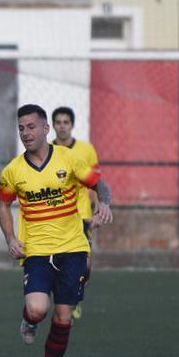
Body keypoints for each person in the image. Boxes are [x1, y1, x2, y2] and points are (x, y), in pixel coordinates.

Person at [0, 104, 110, 357]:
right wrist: (10, 238)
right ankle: (28, 320)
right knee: (37, 310)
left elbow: (100, 185)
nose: (25, 133)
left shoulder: (69, 159)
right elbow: (3, 205)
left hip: (72, 248)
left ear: (46, 129)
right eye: (21, 128)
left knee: (62, 316)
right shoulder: (13, 170)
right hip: (35, 252)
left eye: (31, 127)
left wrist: (104, 202)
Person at [50, 106, 113, 318]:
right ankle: (64, 298)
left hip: (82, 214)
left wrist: (98, 209)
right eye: (58, 122)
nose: (62, 126)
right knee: (57, 262)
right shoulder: (47, 150)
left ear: (72, 125)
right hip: (56, 216)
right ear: (52, 125)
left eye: (65, 122)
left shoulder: (86, 150)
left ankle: (75, 296)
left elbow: (95, 182)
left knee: (85, 264)